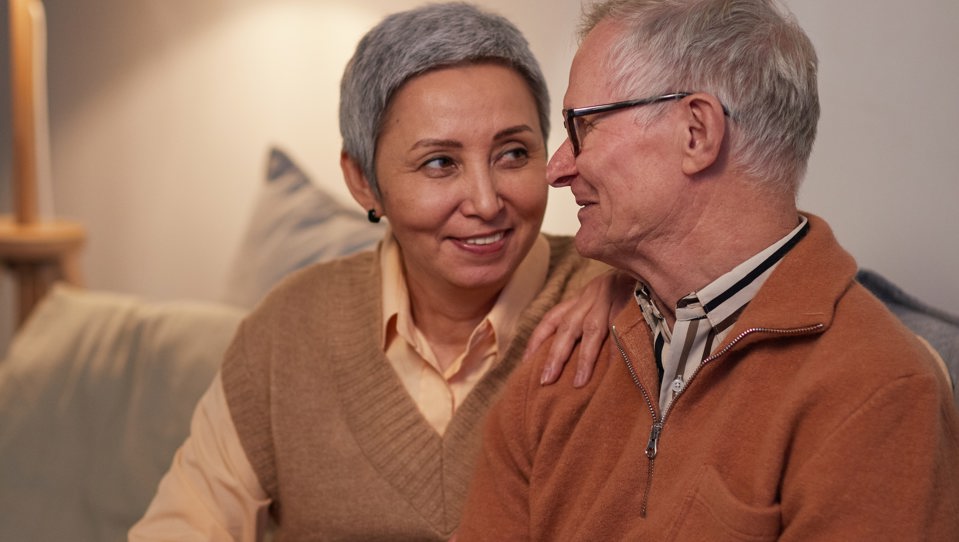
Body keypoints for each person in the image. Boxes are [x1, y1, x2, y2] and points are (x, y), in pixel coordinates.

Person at [457, 0, 959, 540]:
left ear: (696, 132)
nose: (557, 168)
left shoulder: (878, 389)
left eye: (584, 127)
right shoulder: (566, 360)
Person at [129, 3, 616, 540]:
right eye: (440, 163)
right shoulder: (288, 329)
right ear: (363, 182)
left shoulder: (622, 299)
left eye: (513, 153)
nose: (485, 201)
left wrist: (623, 277)